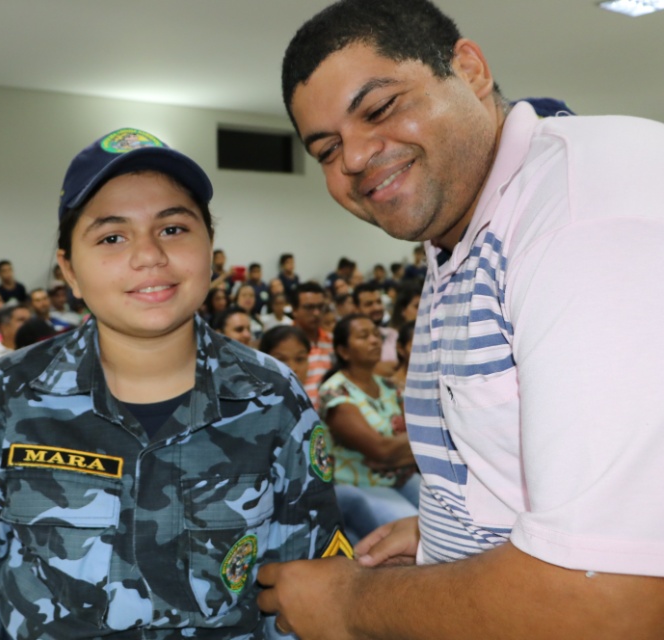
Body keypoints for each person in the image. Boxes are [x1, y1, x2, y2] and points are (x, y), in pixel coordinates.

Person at [256, 0, 664, 637]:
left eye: (380, 108)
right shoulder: (464, 228)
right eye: (328, 148)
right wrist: (447, 534)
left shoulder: (585, 222)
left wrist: (347, 605)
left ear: (469, 70)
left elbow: (610, 602)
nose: (356, 157)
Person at [0, 127, 348, 638]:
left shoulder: (275, 398)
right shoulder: (4, 395)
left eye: (174, 229)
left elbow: (305, 598)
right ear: (68, 271)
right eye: (112, 237)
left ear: (211, 249)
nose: (149, 256)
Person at [318, 314, 420, 540]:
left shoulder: (388, 386)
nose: (374, 340)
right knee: (415, 532)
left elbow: (420, 435)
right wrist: (399, 449)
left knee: (448, 517)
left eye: (376, 334)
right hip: (360, 484)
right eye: (364, 336)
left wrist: (396, 452)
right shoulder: (336, 392)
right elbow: (380, 450)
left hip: (402, 477)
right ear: (344, 351)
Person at [292, 281, 333, 403]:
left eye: (320, 307)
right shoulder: (284, 345)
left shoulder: (333, 341)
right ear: (294, 310)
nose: (316, 313)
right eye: (309, 307)